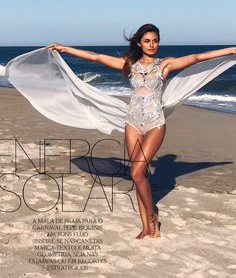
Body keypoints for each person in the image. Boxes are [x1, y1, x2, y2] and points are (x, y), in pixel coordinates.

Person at [45, 23, 235, 240]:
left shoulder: (165, 64)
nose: (152, 45)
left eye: (155, 40)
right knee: (140, 175)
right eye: (147, 41)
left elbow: (196, 57)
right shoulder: (129, 64)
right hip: (132, 123)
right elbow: (95, 57)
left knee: (135, 172)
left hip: (155, 123)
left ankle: (152, 215)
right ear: (138, 42)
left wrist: (230, 50)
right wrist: (66, 49)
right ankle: (146, 226)